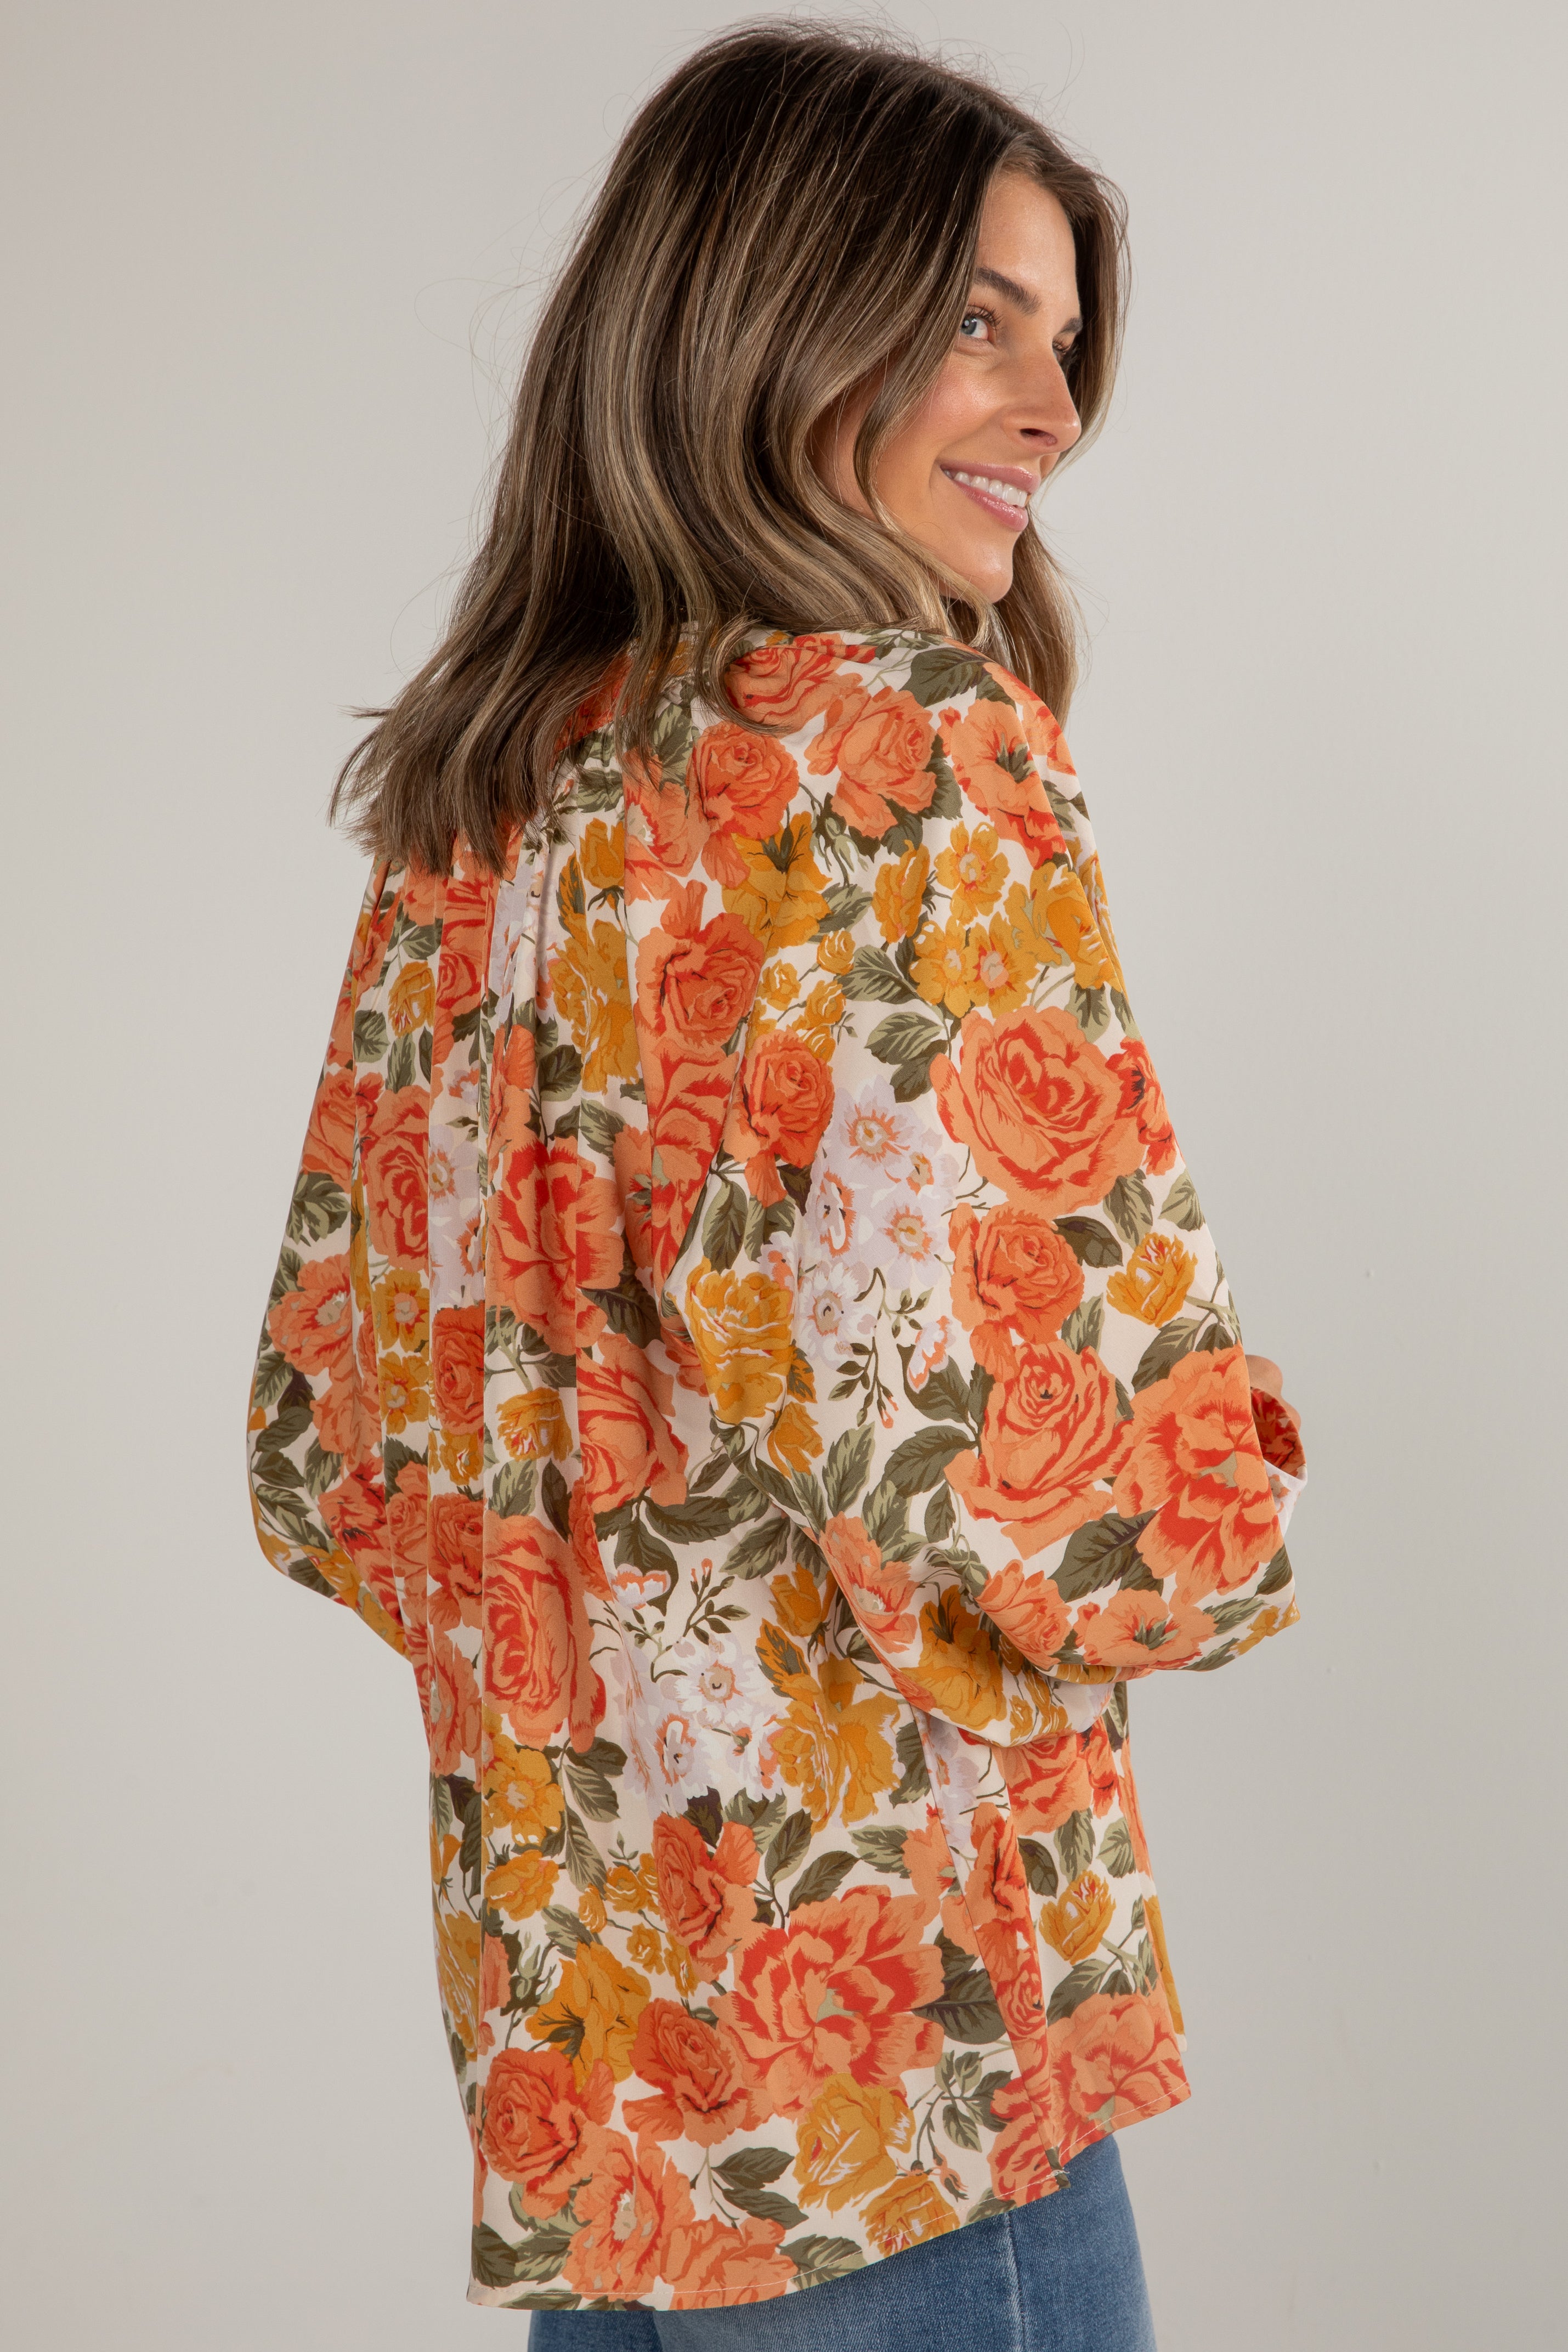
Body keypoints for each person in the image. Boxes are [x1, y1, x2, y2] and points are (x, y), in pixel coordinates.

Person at [246, 25, 1306, 2350]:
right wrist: (1231, 1487)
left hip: (607, 2097)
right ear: (765, 317)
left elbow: (330, 1447)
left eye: (1060, 330)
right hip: (907, 2084)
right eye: (970, 317)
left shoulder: (481, 805)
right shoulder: (917, 755)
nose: (1051, 401)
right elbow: (1066, 1474)